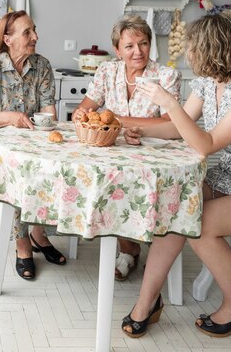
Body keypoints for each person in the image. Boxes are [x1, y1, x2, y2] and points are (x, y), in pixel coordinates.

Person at [121, 14, 231, 339]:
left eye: (193, 47)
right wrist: (136, 130)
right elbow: (178, 128)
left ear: (212, 50)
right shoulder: (208, 83)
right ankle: (147, 302)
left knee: (198, 223)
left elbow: (205, 145)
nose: (188, 52)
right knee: (175, 203)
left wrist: (167, 101)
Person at [72, 15, 181, 281]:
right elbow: (88, 106)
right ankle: (128, 250)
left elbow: (173, 124)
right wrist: (80, 114)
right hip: (116, 152)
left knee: (152, 194)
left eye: (143, 44)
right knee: (113, 189)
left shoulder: (167, 76)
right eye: (130, 46)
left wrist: (121, 122)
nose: (138, 52)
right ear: (117, 50)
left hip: (155, 154)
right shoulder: (107, 71)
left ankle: (156, 251)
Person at [0, 10, 66, 280]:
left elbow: (49, 112)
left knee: (51, 171)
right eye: (27, 32)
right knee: (9, 176)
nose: (35, 36)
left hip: (30, 142)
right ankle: (22, 244)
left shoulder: (42, 66)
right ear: (7, 39)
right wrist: (13, 118)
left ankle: (38, 233)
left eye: (34, 30)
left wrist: (45, 124)